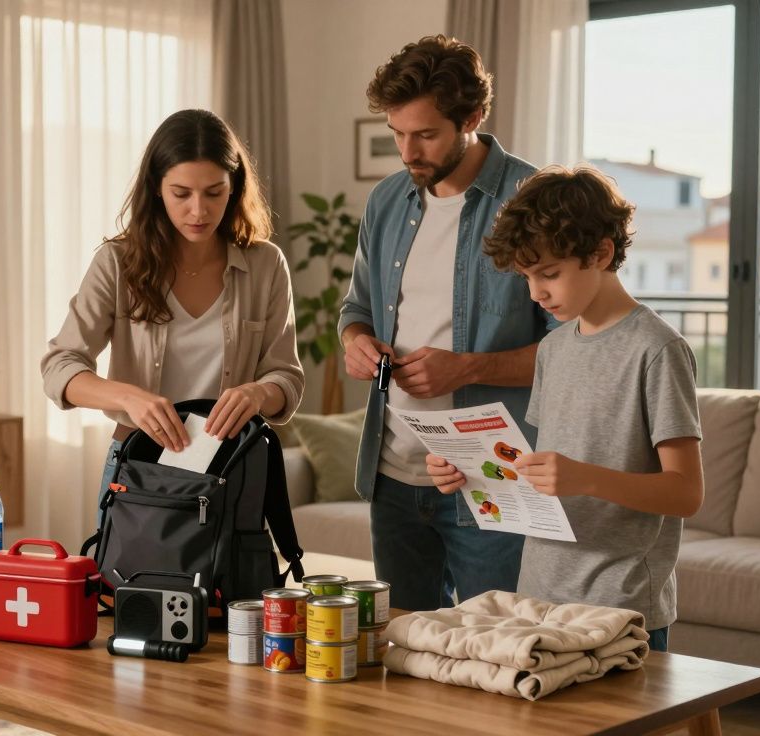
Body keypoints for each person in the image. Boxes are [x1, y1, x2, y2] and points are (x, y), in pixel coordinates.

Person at [429, 164, 704, 650]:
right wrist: (469, 471)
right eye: (526, 277)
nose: (536, 292)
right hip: (539, 595)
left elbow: (686, 494)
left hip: (621, 603)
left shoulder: (657, 349)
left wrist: (587, 478)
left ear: (600, 253)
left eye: (549, 274)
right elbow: (540, 473)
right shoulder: (553, 350)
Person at [339, 35, 556, 611]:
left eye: (426, 135)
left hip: (492, 477)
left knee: (495, 654)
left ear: (473, 118)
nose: (408, 151)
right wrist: (356, 343)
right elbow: (355, 308)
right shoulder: (387, 200)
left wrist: (468, 369)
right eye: (397, 133)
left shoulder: (532, 201)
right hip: (393, 473)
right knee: (401, 655)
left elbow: (573, 352)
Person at [42, 109, 304, 496]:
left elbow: (287, 377)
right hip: (136, 467)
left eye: (214, 192)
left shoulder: (266, 264)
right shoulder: (117, 263)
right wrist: (129, 397)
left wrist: (258, 393)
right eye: (181, 194)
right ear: (157, 188)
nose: (198, 211)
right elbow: (59, 367)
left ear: (233, 187)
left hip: (232, 468)